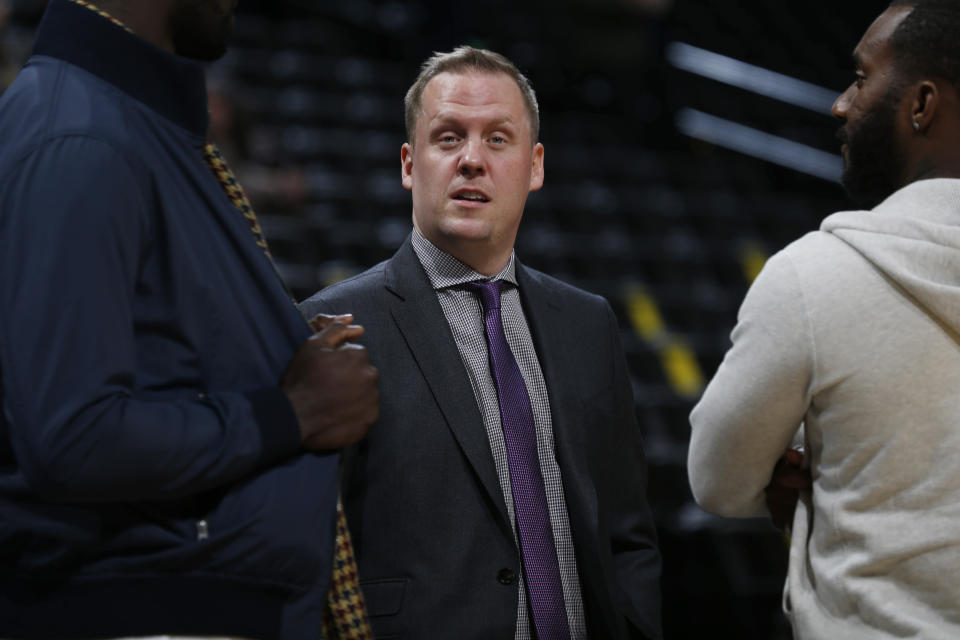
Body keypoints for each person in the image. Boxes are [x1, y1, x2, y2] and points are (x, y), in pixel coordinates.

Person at [0, 0, 378, 637]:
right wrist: (294, 411)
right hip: (145, 612)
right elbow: (73, 437)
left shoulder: (127, 121)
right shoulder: (81, 135)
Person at [301, 46, 662, 640]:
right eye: (448, 138)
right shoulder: (333, 323)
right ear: (409, 165)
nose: (472, 159)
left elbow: (627, 531)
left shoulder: (587, 323)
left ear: (535, 166)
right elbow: (307, 549)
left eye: (498, 139)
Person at [688, 1, 960, 637]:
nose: (841, 104)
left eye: (862, 78)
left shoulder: (814, 275)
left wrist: (813, 457)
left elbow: (719, 482)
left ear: (921, 105)